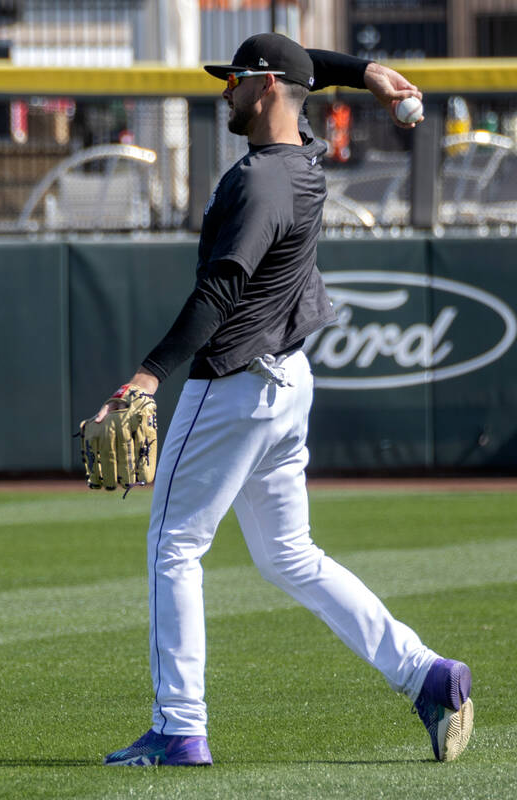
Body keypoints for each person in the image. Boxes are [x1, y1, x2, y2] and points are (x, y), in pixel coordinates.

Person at [97, 34, 472, 767]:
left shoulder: (263, 181)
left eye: (234, 80)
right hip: (286, 383)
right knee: (289, 556)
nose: (224, 91)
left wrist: (147, 376)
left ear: (264, 87)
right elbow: (305, 67)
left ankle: (179, 726)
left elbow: (219, 292)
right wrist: (367, 74)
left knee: (174, 546)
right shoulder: (301, 152)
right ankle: (426, 673)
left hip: (232, 382)